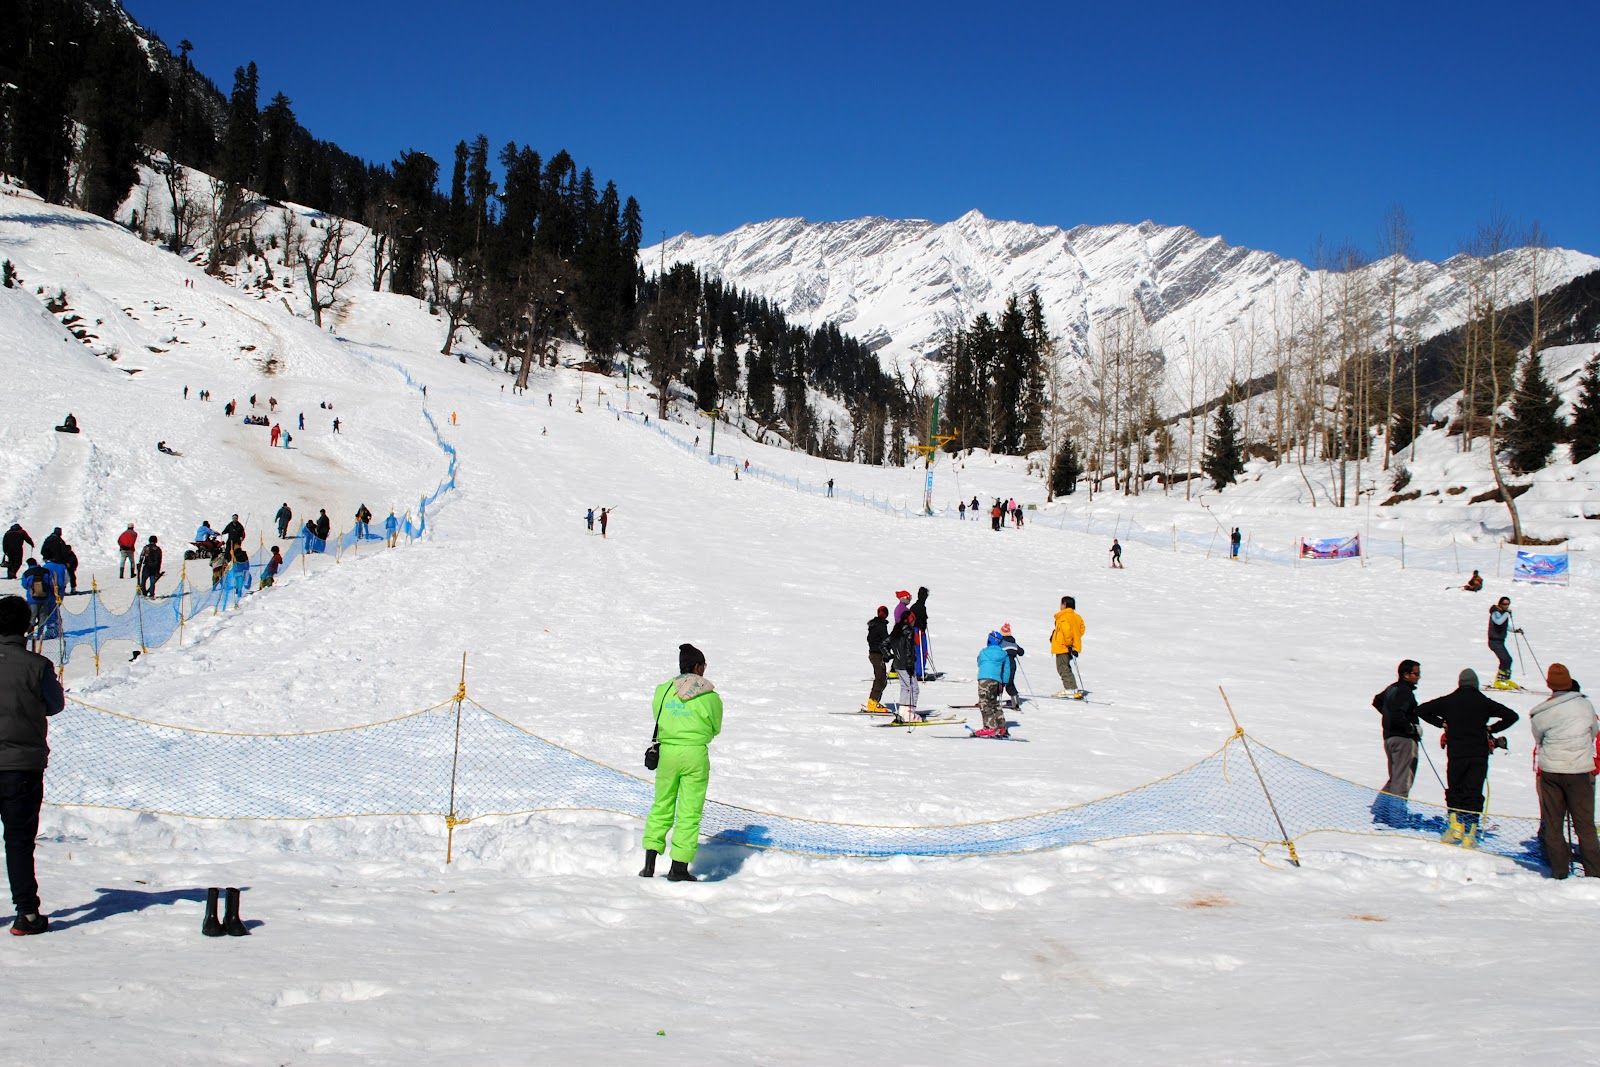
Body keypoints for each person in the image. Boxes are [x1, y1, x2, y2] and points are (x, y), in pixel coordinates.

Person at [0, 594, 66, 935]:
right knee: (18, 841)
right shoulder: (37, 666)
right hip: (21, 766)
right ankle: (26, 914)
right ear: (27, 627)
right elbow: (55, 706)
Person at [639, 643, 723, 883]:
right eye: (704, 666)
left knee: (661, 805)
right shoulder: (710, 696)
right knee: (689, 811)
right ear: (698, 667)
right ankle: (679, 868)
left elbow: (658, 715)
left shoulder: (663, 690)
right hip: (695, 754)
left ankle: (649, 865)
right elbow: (716, 727)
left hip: (667, 753)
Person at [1416, 668, 1519, 847]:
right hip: (1478, 755)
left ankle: (1455, 829)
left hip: (1456, 754)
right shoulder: (1483, 702)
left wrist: (1442, 723)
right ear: (1475, 684)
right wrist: (1491, 729)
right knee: (1473, 791)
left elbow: (1422, 710)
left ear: (1460, 683)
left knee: (1455, 788)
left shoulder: (1449, 701)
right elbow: (1512, 716)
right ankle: (1470, 834)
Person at [1528, 663, 1600, 878]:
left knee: (1553, 824)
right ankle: (1594, 873)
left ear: (1550, 685)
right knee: (1585, 825)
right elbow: (1593, 732)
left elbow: (1538, 737)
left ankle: (1559, 872)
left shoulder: (1542, 710)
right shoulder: (1585, 707)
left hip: (1550, 771)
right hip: (1579, 770)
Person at [1372, 659, 1422, 827]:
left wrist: (1388, 718)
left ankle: (1380, 810)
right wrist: (1411, 728)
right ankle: (1396, 820)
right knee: (1403, 780)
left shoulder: (1392, 688)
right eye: (1416, 673)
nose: (1418, 677)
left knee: (1395, 778)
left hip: (1390, 738)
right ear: (1405, 674)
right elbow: (1397, 713)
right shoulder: (1404, 691)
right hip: (1404, 740)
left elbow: (1377, 701)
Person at [974, 631, 1013, 738]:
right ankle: (1001, 726)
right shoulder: (1004, 654)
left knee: (984, 703)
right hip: (996, 680)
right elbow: (1007, 670)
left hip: (984, 679)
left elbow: (979, 662)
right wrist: (1003, 682)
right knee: (994, 703)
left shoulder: (983, 652)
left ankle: (990, 727)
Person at [886, 610, 921, 722]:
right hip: (906, 665)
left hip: (897, 665)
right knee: (913, 689)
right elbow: (908, 650)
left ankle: (903, 712)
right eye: (913, 620)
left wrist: (888, 655)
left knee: (905, 688)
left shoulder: (896, 630)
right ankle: (910, 714)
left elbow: (883, 644)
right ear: (910, 620)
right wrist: (910, 665)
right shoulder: (908, 631)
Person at [1050, 596, 1086, 698]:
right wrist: (1075, 641)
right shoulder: (1077, 617)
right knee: (1066, 667)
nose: (1060, 606)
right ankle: (1073, 688)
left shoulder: (1064, 617)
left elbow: (1066, 632)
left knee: (1062, 668)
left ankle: (1070, 689)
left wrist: (1068, 643)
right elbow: (1082, 629)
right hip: (1071, 647)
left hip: (1063, 647)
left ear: (1065, 604)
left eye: (1061, 604)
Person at [17, 560, 57, 639]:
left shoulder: (27, 573)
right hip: (45, 598)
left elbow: (24, 585)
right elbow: (51, 584)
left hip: (32, 599)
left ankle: (30, 634)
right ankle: (40, 635)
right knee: (42, 617)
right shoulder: (46, 571)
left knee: (32, 617)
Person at [1487, 597, 1518, 689]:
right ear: (1500, 603)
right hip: (1494, 641)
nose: (1506, 606)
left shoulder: (1502, 613)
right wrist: (1506, 613)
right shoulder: (1495, 612)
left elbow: (1505, 626)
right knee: (1505, 659)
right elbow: (1498, 622)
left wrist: (1515, 630)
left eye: (1508, 604)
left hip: (1500, 641)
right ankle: (1499, 681)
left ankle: (1505, 679)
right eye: (1504, 604)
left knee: (1508, 659)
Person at [865, 606, 890, 713]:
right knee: (880, 678)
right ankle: (872, 702)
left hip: (874, 654)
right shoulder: (881, 625)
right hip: (877, 655)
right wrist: (887, 653)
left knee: (882, 678)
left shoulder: (874, 625)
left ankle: (874, 701)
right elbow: (886, 640)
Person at [997, 623, 1025, 707]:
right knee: (1010, 682)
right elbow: (1021, 652)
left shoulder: (1000, 642)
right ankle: (1015, 699)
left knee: (1000, 682)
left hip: (1004, 664)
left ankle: (992, 699)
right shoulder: (1013, 643)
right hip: (1012, 665)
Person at [909, 586, 932, 679]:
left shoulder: (916, 606)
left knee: (920, 651)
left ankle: (918, 670)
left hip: (917, 631)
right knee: (921, 651)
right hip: (918, 631)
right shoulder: (920, 607)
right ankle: (918, 672)